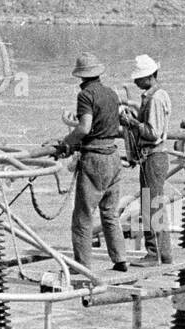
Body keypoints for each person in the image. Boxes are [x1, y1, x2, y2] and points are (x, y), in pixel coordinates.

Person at [49, 52, 129, 272]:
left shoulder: (85, 95)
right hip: (113, 156)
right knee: (110, 213)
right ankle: (121, 259)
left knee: (83, 216)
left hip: (95, 159)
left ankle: (82, 266)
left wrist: (66, 143)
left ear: (81, 76)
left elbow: (84, 128)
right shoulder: (112, 94)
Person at [121, 54, 174, 265]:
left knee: (151, 206)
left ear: (149, 77)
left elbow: (153, 132)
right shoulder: (156, 96)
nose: (135, 82)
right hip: (153, 158)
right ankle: (164, 253)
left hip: (154, 157)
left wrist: (132, 123)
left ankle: (154, 254)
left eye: (138, 78)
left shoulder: (155, 98)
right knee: (154, 205)